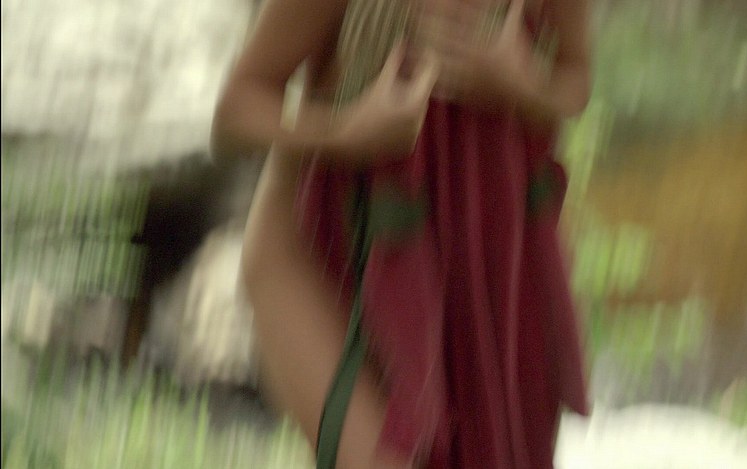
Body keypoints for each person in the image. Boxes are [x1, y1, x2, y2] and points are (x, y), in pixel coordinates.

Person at [211, 0, 591, 467]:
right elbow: (234, 112)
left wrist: (521, 82)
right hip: (316, 259)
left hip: (476, 284)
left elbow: (575, 82)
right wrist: (345, 132)